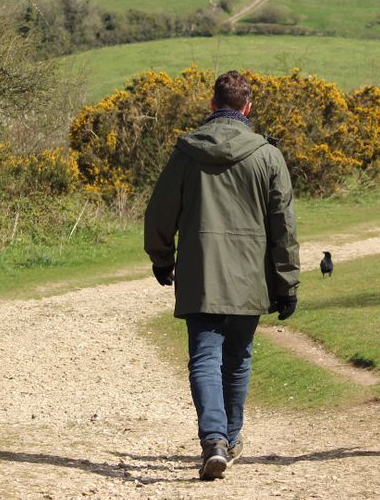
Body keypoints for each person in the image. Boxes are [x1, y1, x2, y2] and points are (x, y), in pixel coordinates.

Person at [145, 70, 299, 481]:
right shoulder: (268, 155)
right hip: (250, 275)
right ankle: (229, 439)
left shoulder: (186, 152)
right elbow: (284, 225)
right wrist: (287, 283)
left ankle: (214, 439)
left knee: (205, 357)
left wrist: (162, 258)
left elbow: (160, 212)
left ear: (212, 105)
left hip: (200, 271)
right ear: (248, 108)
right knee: (237, 359)